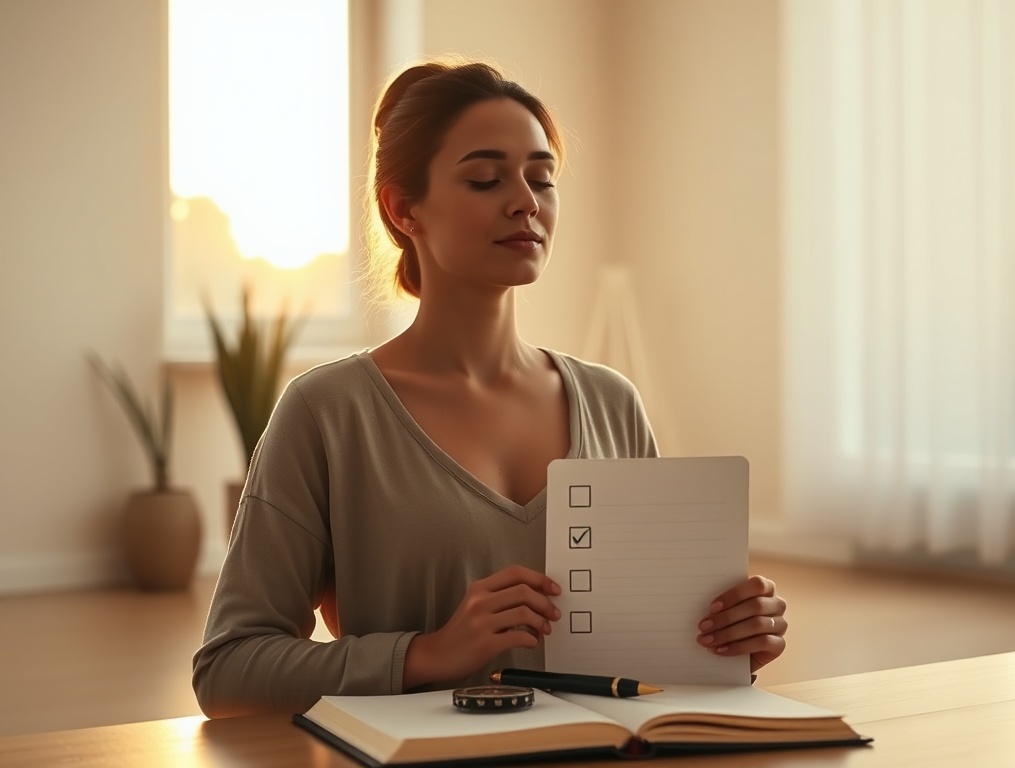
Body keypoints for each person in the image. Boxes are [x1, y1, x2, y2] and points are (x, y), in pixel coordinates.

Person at [192, 57, 788, 718]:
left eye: (542, 178)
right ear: (402, 208)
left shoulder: (613, 403)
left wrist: (727, 645)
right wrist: (426, 653)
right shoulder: (327, 413)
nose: (525, 202)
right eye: (484, 178)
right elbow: (229, 670)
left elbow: (643, 673)